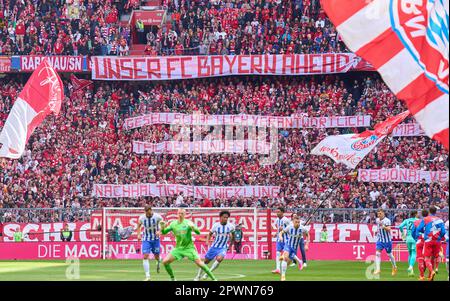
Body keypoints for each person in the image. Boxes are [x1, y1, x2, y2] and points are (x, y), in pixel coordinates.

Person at [160, 208, 216, 281]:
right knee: (165, 262)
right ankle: (173, 278)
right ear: (177, 214)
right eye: (179, 213)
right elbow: (164, 232)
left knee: (200, 263)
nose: (180, 215)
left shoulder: (188, 223)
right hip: (178, 248)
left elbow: (198, 232)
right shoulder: (173, 224)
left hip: (189, 248)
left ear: (184, 215)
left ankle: (214, 279)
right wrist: (162, 227)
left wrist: (193, 228)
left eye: (182, 213)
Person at [194, 210, 235, 281]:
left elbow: (233, 236)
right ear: (220, 217)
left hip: (223, 247)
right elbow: (210, 234)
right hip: (214, 247)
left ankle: (207, 273)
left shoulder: (231, 226)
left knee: (219, 259)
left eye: (227, 218)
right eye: (224, 217)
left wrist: (230, 245)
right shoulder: (216, 225)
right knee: (206, 262)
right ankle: (198, 276)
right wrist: (207, 241)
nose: (226, 219)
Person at [416, 206, 446, 281]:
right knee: (434, 257)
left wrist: (425, 232)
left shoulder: (425, 219)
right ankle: (431, 276)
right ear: (436, 212)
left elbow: (419, 229)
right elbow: (443, 232)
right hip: (437, 241)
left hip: (428, 240)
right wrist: (439, 237)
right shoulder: (440, 220)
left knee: (426, 258)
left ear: (429, 211)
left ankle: (432, 271)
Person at [278, 215, 309, 281]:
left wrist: (307, 244)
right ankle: (283, 276)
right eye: (296, 222)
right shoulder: (290, 227)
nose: (297, 223)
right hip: (288, 244)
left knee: (287, 263)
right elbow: (281, 232)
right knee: (285, 258)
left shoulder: (302, 228)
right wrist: (280, 237)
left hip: (295, 248)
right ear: (293, 222)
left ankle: (298, 261)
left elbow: (308, 235)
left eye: (298, 222)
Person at [137, 206, 163, 281]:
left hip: (155, 239)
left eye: (148, 212)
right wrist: (138, 235)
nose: (147, 214)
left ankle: (158, 261)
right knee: (145, 256)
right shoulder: (142, 218)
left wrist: (160, 231)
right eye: (146, 212)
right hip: (146, 239)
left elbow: (163, 224)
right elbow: (138, 226)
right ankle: (147, 276)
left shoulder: (157, 216)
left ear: (151, 210)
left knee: (157, 256)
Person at [373, 209, 397, 276]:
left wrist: (384, 227)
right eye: (378, 214)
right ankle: (378, 269)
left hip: (387, 240)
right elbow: (378, 228)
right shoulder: (377, 220)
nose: (379, 215)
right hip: (380, 239)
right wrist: (377, 232)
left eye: (380, 213)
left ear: (383, 213)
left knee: (389, 255)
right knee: (377, 253)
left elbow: (389, 229)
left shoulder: (387, 220)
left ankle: (394, 267)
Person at [398, 210, 419, 276]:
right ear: (415, 214)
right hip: (414, 238)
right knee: (414, 253)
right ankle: (410, 267)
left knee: (410, 254)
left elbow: (400, 226)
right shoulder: (418, 220)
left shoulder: (407, 220)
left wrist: (403, 234)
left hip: (408, 238)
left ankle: (411, 272)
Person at [272, 207, 291, 274]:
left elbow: (290, 228)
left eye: (279, 212)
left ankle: (291, 260)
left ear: (282, 212)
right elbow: (278, 229)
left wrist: (283, 229)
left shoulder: (286, 220)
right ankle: (278, 269)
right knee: (277, 253)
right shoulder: (277, 220)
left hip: (286, 239)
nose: (277, 213)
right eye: (277, 212)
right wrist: (276, 233)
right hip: (279, 239)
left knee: (285, 254)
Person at [412, 209, 428, 280]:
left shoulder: (416, 222)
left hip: (419, 241)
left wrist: (416, 239)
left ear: (421, 215)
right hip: (427, 241)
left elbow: (413, 232)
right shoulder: (430, 221)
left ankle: (421, 276)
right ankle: (429, 274)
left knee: (420, 259)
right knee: (427, 259)